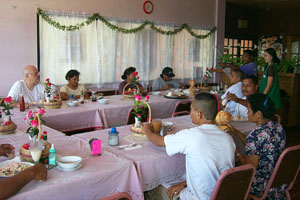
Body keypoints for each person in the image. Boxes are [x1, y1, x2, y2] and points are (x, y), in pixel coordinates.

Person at [142, 93, 235, 200]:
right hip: (221, 196)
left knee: (149, 189)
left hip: (197, 198)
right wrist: (184, 183)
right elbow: (212, 172)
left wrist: (147, 131)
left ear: (199, 114)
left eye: (191, 109)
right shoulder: (228, 138)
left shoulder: (192, 135)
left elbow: (158, 141)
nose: (190, 113)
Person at [227, 93, 286, 199]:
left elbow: (249, 169)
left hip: (261, 186)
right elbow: (259, 146)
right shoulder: (278, 127)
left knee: (226, 177)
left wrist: (237, 152)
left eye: (249, 110)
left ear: (258, 113)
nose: (247, 112)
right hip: (278, 181)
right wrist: (235, 132)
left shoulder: (255, 136)